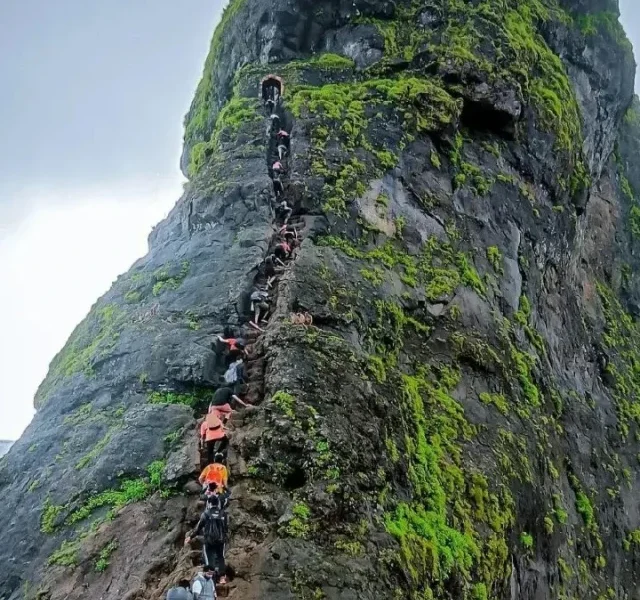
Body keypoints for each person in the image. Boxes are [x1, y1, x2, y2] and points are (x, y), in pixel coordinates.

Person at [186, 498, 229, 584]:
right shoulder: (223, 514)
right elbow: (226, 528)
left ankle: (210, 578)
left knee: (209, 559)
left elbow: (198, 528)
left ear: (209, 504)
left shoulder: (205, 514)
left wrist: (190, 537)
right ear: (218, 504)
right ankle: (222, 578)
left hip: (209, 541)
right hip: (221, 541)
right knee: (221, 558)